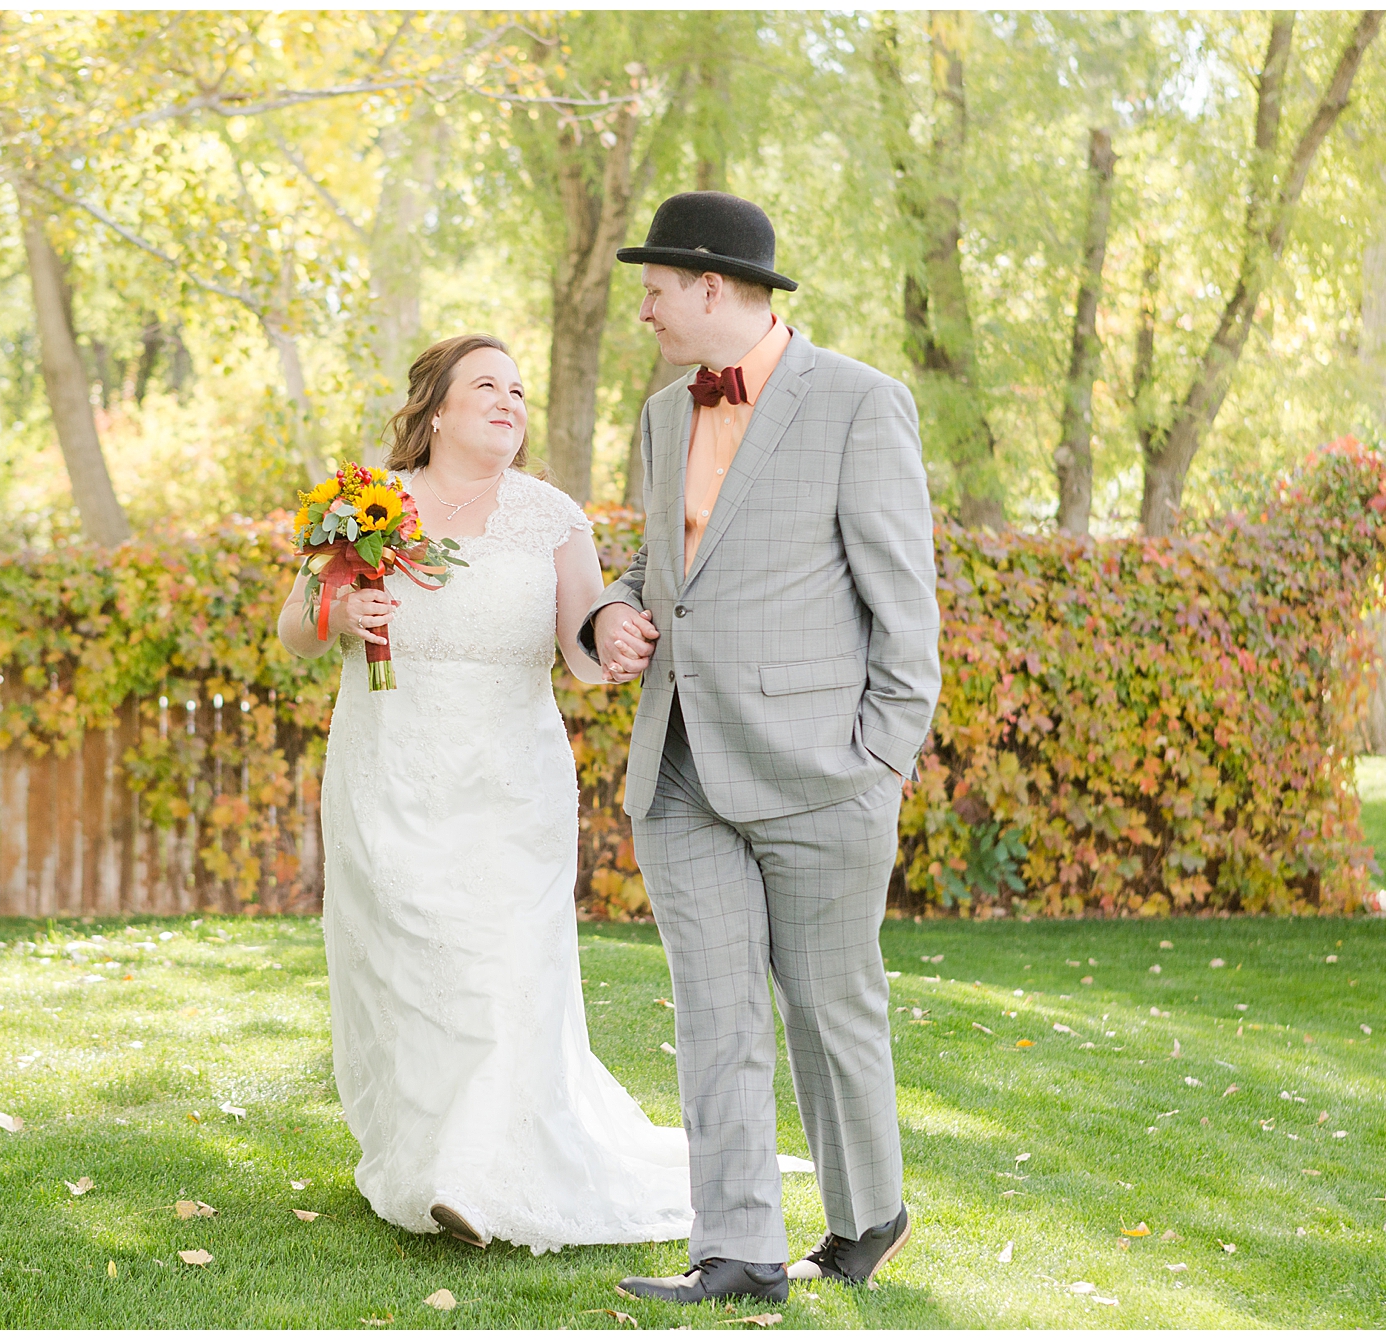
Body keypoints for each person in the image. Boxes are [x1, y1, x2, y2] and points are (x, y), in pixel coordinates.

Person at [587, 192, 944, 1305]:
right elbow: (656, 571)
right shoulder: (658, 416)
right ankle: (735, 1247)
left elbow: (904, 606)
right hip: (679, 763)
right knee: (714, 1007)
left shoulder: (858, 404)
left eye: (653, 288)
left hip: (819, 769)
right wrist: (609, 611)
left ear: (708, 287)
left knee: (828, 1001)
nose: (640, 308)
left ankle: (865, 1213)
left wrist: (877, 753)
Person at [275, 334, 695, 1255]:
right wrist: (339, 612)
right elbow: (294, 629)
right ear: (435, 412)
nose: (509, 401)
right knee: (411, 971)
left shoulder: (552, 517)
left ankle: (471, 1176)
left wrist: (618, 644)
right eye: (486, 386)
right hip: (390, 772)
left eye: (518, 389)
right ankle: (427, 1155)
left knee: (506, 969)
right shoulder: (363, 507)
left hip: (512, 780)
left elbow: (580, 653)